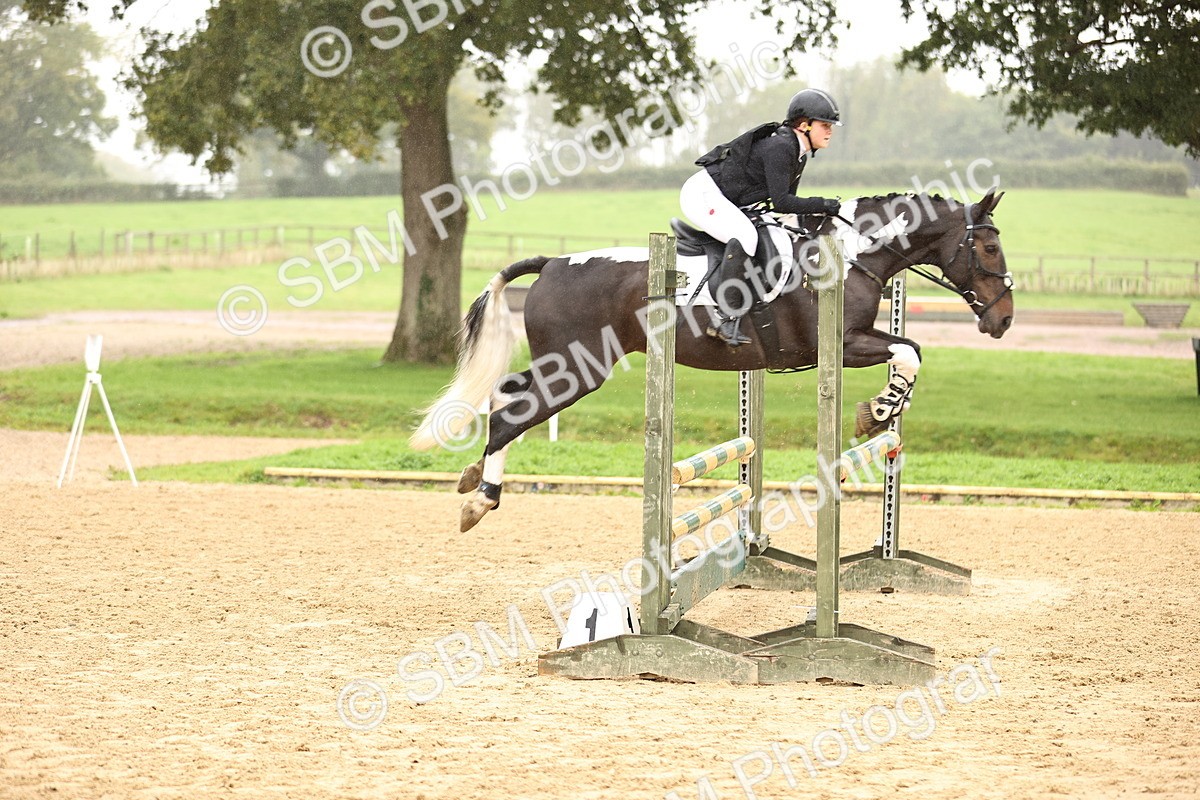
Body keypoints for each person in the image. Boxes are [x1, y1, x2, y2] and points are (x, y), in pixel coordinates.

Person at [680, 88, 843, 346]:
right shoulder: (781, 147)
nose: (830, 130)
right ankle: (723, 317)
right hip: (701, 195)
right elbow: (783, 201)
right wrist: (822, 204)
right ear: (804, 125)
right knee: (746, 236)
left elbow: (783, 207)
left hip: (722, 198)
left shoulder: (797, 152)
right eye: (825, 125)